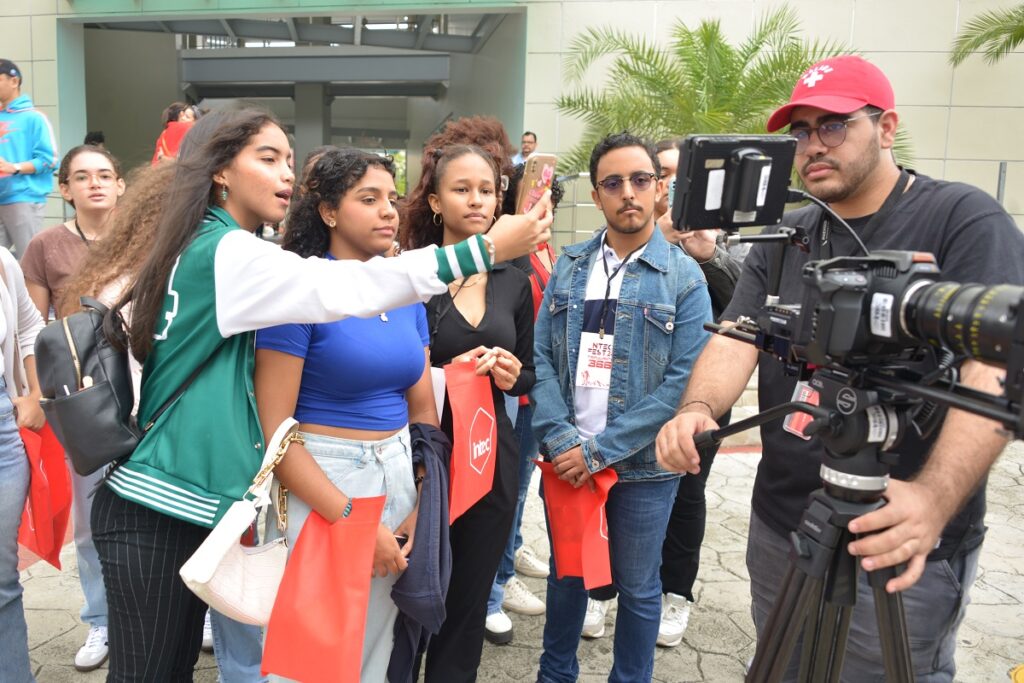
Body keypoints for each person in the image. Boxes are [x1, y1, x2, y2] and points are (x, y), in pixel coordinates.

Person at [88, 108, 552, 680]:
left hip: (204, 496)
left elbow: (411, 385)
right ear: (219, 172)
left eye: (288, 158)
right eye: (268, 158)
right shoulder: (232, 253)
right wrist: (480, 251)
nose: (286, 173)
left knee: (361, 656)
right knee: (280, 662)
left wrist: (420, 476)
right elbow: (338, 289)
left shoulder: (210, 244)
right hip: (168, 498)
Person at [655, 55, 1024, 682]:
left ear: (886, 128)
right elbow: (739, 333)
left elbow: (993, 365)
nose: (813, 145)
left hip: (900, 533)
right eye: (800, 132)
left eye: (834, 126)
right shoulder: (792, 232)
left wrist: (933, 500)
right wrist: (695, 410)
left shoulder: (961, 217)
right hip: (785, 523)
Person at [532, 132, 711, 683]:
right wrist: (564, 442)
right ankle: (554, 674)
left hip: (642, 471)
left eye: (640, 180)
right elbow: (540, 358)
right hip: (567, 461)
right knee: (566, 578)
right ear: (596, 193)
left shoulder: (685, 277)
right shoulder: (569, 266)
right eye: (613, 183)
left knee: (637, 589)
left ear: (660, 189)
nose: (628, 193)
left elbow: (681, 385)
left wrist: (600, 453)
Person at [254, 148, 438, 680]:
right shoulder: (299, 292)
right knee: (310, 659)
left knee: (375, 651)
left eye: (392, 199)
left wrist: (422, 498)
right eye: (368, 199)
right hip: (324, 483)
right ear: (329, 213)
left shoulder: (406, 291)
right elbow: (278, 435)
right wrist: (356, 522)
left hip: (400, 475)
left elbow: (423, 408)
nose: (388, 211)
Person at [581, 137, 747, 646]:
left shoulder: (713, 235)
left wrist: (708, 254)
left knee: (685, 495)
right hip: (610, 393)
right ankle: (601, 588)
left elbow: (746, 308)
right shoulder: (611, 238)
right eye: (665, 172)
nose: (666, 184)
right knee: (608, 494)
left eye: (671, 174)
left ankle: (676, 592)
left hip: (697, 393)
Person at [402, 142, 536, 682]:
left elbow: (531, 372)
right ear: (435, 201)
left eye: (488, 189)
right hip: (423, 459)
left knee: (469, 600)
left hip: (490, 454)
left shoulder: (515, 281)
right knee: (410, 599)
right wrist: (435, 365)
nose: (477, 200)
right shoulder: (412, 276)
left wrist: (509, 370)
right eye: (461, 189)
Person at [19, 145, 125, 672]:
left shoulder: (146, 239)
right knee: (89, 519)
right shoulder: (45, 246)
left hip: (146, 387)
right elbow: (32, 330)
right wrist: (37, 395)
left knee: (163, 505)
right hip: (83, 398)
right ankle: (101, 618)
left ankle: (185, 609)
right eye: (82, 177)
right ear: (64, 189)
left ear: (121, 184)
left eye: (105, 175)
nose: (95, 184)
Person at [484, 163, 566, 645]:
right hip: (511, 389)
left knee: (518, 489)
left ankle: (509, 555)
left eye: (549, 200)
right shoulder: (507, 250)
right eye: (535, 198)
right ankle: (493, 590)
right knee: (507, 492)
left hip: (539, 388)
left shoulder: (545, 249)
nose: (544, 208)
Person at [0, 244, 46, 683]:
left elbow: (31, 325)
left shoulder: (1, 260)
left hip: (1, 428)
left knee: (0, 581)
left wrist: (35, 394)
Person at [0, 59, 57, 258]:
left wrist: (13, 167)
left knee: (30, 263)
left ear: (14, 81)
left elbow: (49, 160)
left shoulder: (34, 118)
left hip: (23, 198)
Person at [151, 101, 198, 165]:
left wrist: (162, 157)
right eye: (186, 116)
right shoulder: (187, 128)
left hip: (157, 172)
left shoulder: (163, 134)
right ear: (181, 114)